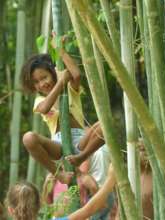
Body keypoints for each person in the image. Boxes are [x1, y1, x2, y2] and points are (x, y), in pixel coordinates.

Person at [20, 45, 105, 184]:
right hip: (58, 145)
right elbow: (45, 108)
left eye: (44, 77)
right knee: (28, 138)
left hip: (81, 141)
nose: (42, 84)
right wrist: (61, 82)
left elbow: (76, 74)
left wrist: (61, 50)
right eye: (36, 82)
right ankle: (58, 174)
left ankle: (82, 157)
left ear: (53, 73)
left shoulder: (69, 90)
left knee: (104, 125)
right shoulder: (40, 100)